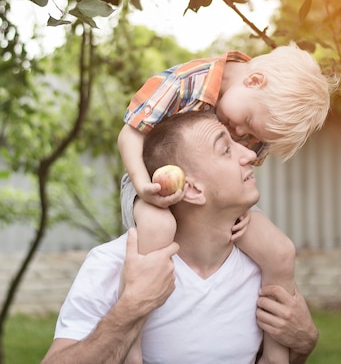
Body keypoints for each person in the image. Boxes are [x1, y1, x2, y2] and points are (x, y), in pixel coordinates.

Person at [117, 43, 335, 364]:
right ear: (254, 80)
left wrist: (241, 210)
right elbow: (130, 135)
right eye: (246, 120)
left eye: (251, 131)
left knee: (280, 250)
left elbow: (235, 177)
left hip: (212, 199)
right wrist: (143, 186)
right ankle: (130, 348)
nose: (241, 132)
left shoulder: (253, 114)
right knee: (156, 226)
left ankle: (275, 356)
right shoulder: (187, 82)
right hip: (150, 179)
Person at [42, 111, 318, 364]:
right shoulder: (111, 264)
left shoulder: (263, 266)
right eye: (225, 149)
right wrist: (131, 307)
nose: (248, 154)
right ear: (192, 189)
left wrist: (303, 347)